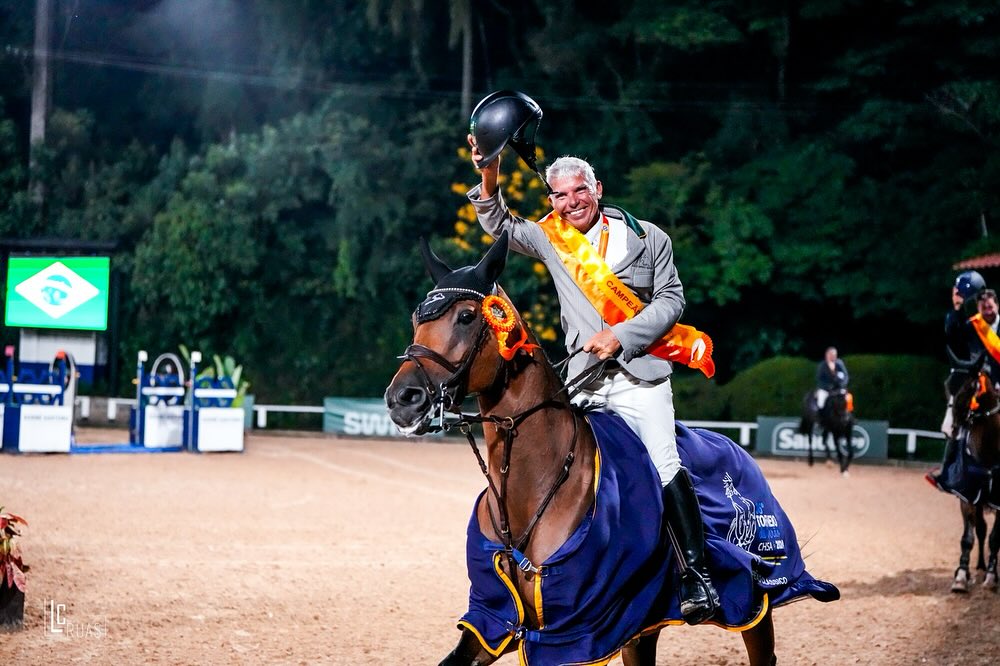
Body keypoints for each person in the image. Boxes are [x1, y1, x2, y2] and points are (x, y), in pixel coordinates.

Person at [464, 141, 719, 624]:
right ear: (552, 201)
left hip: (640, 378)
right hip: (582, 379)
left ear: (597, 189)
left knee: (665, 461)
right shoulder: (549, 236)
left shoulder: (649, 238)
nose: (571, 202)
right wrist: (491, 173)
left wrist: (621, 336)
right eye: (560, 196)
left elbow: (671, 302)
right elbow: (498, 223)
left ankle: (696, 575)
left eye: (580, 191)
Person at [814, 347, 849, 413]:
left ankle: (848, 415)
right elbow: (819, 379)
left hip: (838, 388)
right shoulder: (822, 365)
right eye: (831, 354)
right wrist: (827, 386)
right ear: (827, 355)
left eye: (834, 355)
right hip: (825, 389)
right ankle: (820, 415)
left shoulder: (839, 363)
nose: (833, 356)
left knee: (848, 398)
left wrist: (842, 384)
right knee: (821, 400)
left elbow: (846, 376)